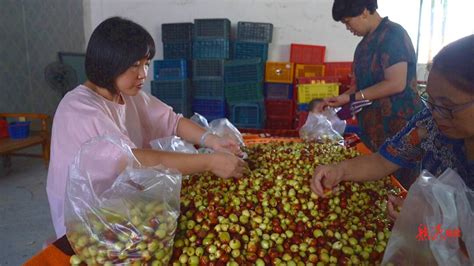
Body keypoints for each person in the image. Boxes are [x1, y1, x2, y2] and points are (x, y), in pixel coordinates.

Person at [46, 17, 246, 238]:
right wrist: (209, 162)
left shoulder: (127, 95)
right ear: (108, 62)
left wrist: (212, 140)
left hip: (125, 204)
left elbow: (172, 121)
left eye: (146, 63)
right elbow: (133, 160)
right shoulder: (79, 109)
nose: (143, 74)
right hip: (89, 219)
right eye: (134, 65)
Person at [311, 34, 474, 221]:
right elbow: (382, 161)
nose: (436, 113)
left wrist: (430, 219)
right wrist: (339, 170)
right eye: (430, 101)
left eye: (447, 106)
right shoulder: (427, 124)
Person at [316, 0, 423, 152]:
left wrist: (352, 97)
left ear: (364, 12)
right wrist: (340, 99)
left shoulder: (393, 35)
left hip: (399, 129)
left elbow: (396, 83)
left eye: (348, 22)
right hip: (373, 131)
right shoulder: (363, 47)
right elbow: (360, 87)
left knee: (399, 174)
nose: (348, 28)